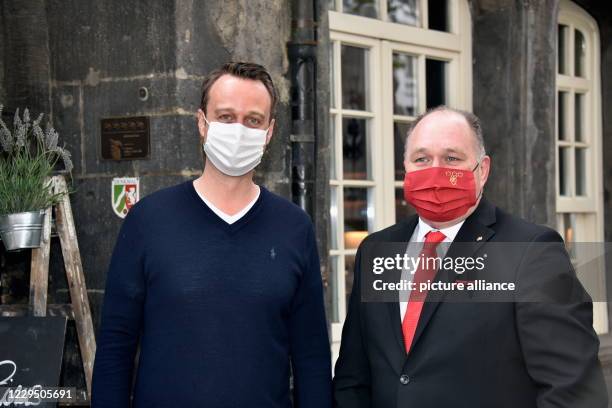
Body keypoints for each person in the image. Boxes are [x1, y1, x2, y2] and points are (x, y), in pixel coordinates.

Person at [333, 106, 607, 408]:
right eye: (422, 159)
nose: (436, 172)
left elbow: (572, 390)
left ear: (483, 169)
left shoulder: (532, 251)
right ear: (406, 168)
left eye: (452, 158)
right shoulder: (376, 250)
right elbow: (352, 377)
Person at [92, 62, 332, 407]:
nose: (239, 130)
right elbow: (116, 346)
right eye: (225, 117)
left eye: (253, 120)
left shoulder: (294, 228)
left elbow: (311, 357)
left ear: (269, 132)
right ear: (202, 123)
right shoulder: (148, 221)